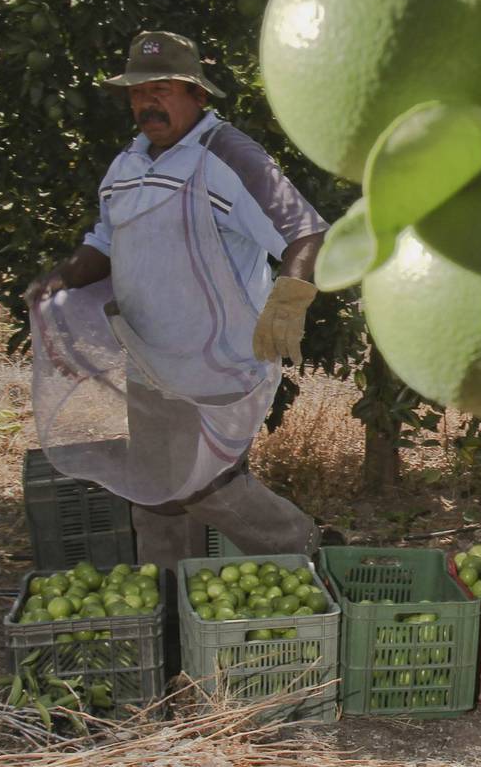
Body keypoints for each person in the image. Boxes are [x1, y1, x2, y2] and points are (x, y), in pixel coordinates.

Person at [24, 31, 327, 573]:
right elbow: (105, 244)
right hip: (150, 363)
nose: (148, 103)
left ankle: (311, 550)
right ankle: (170, 614)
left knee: (208, 487)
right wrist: (60, 280)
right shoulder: (127, 165)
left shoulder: (228, 156)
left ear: (198, 95)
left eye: (162, 89)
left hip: (213, 366)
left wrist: (292, 294)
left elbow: (305, 233)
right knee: (156, 498)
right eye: (139, 93)